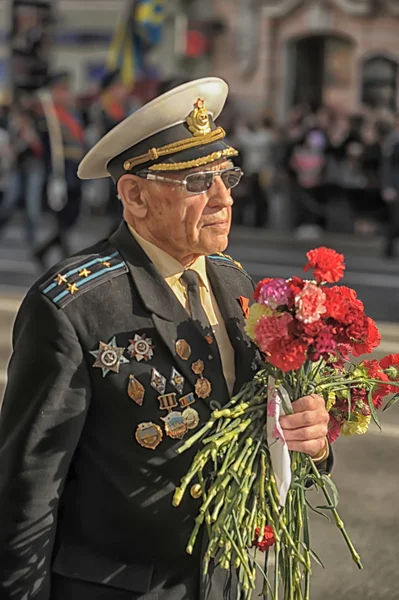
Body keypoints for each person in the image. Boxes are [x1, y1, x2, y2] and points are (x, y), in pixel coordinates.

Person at [0, 78, 332, 600]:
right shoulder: (75, 305)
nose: (224, 198)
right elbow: (28, 491)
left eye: (227, 176)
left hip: (225, 581)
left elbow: (264, 432)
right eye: (198, 181)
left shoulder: (234, 282)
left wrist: (309, 439)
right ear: (134, 195)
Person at [35, 71, 86, 265]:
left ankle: (44, 250)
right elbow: (50, 150)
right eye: (62, 90)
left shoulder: (70, 116)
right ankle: (66, 258)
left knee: (72, 215)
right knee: (62, 218)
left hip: (74, 170)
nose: (67, 94)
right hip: (60, 171)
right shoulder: (48, 117)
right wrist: (54, 177)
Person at [0, 100, 46, 248]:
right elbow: (9, 149)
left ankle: (33, 239)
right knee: (9, 201)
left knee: (32, 204)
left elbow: (40, 149)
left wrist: (30, 137)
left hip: (34, 167)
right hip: (16, 168)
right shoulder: (12, 127)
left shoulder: (37, 125)